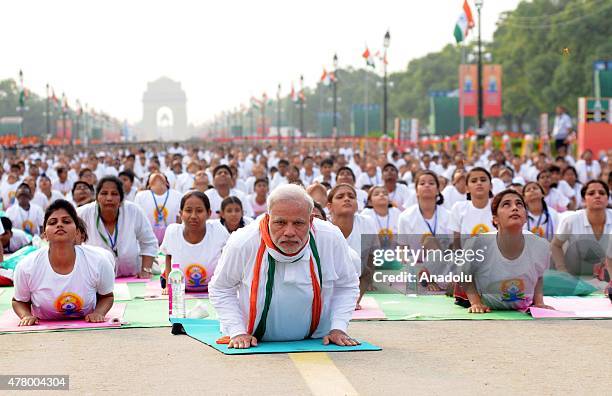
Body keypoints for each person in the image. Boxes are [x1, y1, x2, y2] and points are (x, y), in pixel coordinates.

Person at [209, 184, 359, 348]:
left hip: (318, 341)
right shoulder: (242, 241)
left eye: (298, 223)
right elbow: (221, 288)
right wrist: (237, 331)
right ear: (268, 218)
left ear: (311, 220)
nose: (289, 232)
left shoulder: (330, 237)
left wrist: (338, 328)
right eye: (280, 222)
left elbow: (347, 285)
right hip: (253, 341)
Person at [12, 199, 115, 325]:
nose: (59, 225)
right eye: (52, 222)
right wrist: (26, 315)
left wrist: (99, 313)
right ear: (45, 234)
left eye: (66, 221)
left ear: (77, 231)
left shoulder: (98, 261)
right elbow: (19, 301)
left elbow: (107, 296)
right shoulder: (26, 266)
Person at [461, 190, 552, 313]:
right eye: (506, 204)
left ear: (525, 217)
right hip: (484, 301)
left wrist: (539, 302)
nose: (515, 208)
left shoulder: (540, 245)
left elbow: (539, 276)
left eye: (519, 204)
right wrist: (476, 303)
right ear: (495, 219)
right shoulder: (478, 244)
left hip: (521, 306)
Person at [78, 176, 158, 278]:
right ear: (97, 198)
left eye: (114, 194)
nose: (109, 198)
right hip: (96, 279)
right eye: (104, 193)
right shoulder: (83, 213)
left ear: (121, 200)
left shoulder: (133, 211)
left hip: (132, 277)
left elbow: (149, 242)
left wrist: (146, 270)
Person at [160, 191, 229, 294]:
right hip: (180, 289)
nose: (193, 216)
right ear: (181, 214)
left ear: (209, 213)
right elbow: (168, 256)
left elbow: (228, 257)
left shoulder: (218, 231)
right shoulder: (172, 232)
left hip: (214, 290)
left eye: (199, 211)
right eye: (188, 210)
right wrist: (168, 285)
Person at [327, 183, 377, 307]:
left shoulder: (367, 224)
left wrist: (355, 299)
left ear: (357, 205)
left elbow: (369, 266)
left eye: (351, 196)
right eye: (340, 197)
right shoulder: (322, 226)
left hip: (354, 287)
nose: (347, 199)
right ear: (329, 206)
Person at [551, 180, 611, 275]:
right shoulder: (571, 220)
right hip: (578, 277)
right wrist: (562, 269)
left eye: (602, 193)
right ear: (583, 200)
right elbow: (555, 245)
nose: (597, 196)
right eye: (591, 193)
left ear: (607, 199)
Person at [449, 167, 495, 249]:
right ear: (467, 188)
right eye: (474, 181)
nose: (479, 183)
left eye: (483, 180)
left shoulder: (498, 208)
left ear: (491, 186)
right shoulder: (458, 208)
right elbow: (456, 244)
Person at [134, 172, 182, 244]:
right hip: (148, 242)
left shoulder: (177, 195)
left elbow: (180, 219)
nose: (157, 174)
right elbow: (137, 220)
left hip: (171, 241)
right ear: (149, 185)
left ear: (167, 183)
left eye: (160, 174)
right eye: (153, 175)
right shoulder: (141, 196)